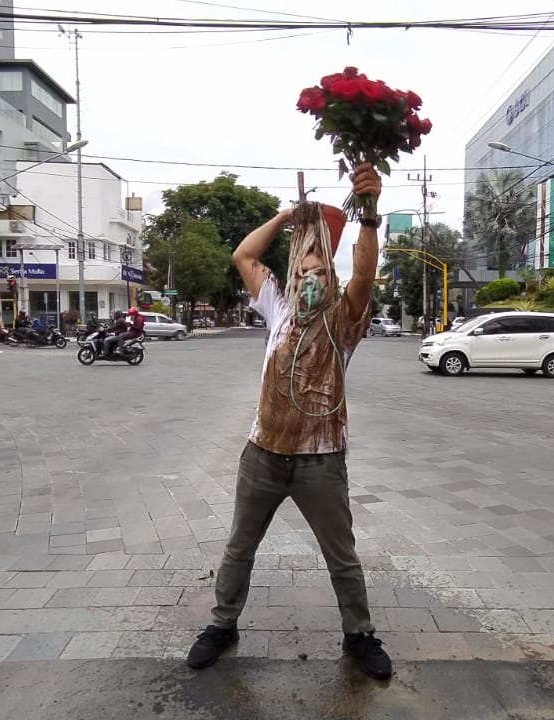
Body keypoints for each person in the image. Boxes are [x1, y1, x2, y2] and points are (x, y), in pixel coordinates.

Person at [185, 164, 392, 679]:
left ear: (331, 279)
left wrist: (368, 214)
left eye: (317, 269)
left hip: (320, 461)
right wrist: (285, 216)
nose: (307, 277)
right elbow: (244, 255)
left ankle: (359, 635)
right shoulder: (277, 309)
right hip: (263, 456)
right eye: (300, 269)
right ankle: (223, 623)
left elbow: (364, 276)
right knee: (239, 546)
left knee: (341, 555)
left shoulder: (343, 320)